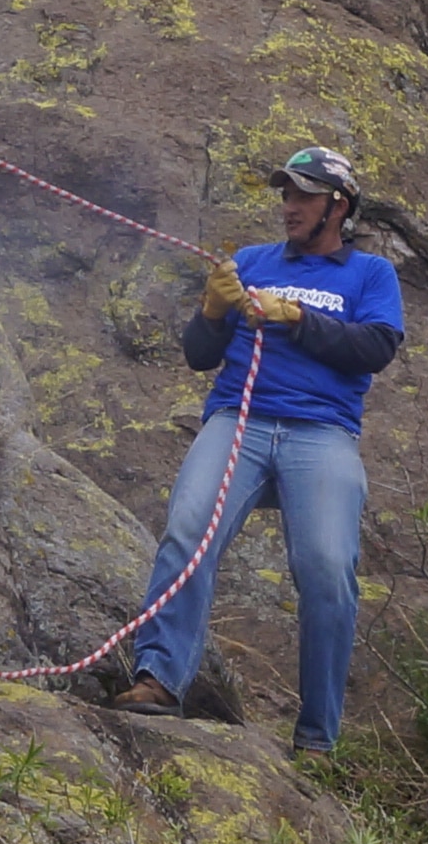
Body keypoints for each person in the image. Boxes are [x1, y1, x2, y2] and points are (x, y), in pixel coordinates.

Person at [99, 146, 398, 744]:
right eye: (286, 194)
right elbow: (198, 356)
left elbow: (375, 349)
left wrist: (297, 319)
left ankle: (317, 736)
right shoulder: (250, 263)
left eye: (304, 195)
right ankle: (158, 678)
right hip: (239, 419)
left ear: (338, 206)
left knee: (326, 569)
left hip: (322, 431)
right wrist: (212, 311)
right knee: (187, 528)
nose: (290, 206)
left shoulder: (369, 275)